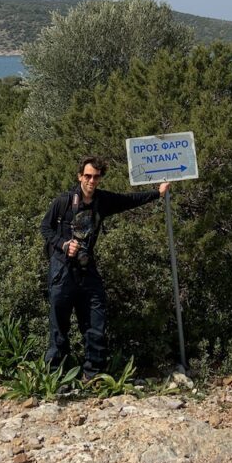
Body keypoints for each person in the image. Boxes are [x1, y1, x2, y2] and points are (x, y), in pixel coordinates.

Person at [40, 155, 169, 379]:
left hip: (86, 268)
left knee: (95, 321)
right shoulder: (63, 201)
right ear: (80, 176)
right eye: (87, 176)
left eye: (96, 177)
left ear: (100, 178)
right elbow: (45, 227)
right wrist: (63, 244)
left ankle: (93, 374)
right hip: (62, 270)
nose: (91, 181)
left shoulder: (103, 201)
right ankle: (56, 376)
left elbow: (129, 200)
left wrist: (157, 193)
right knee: (59, 326)